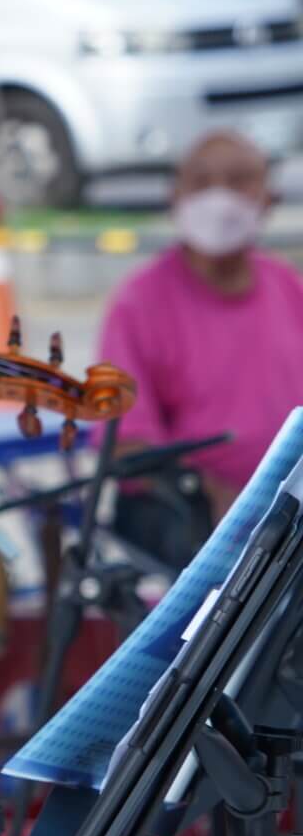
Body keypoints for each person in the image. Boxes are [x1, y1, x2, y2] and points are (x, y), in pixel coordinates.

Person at [98, 128, 303, 556]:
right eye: (202, 181)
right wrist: (216, 496)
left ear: (269, 197)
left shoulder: (287, 286)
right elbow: (127, 444)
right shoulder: (140, 302)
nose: (219, 197)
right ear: (176, 196)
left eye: (238, 179)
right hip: (194, 527)